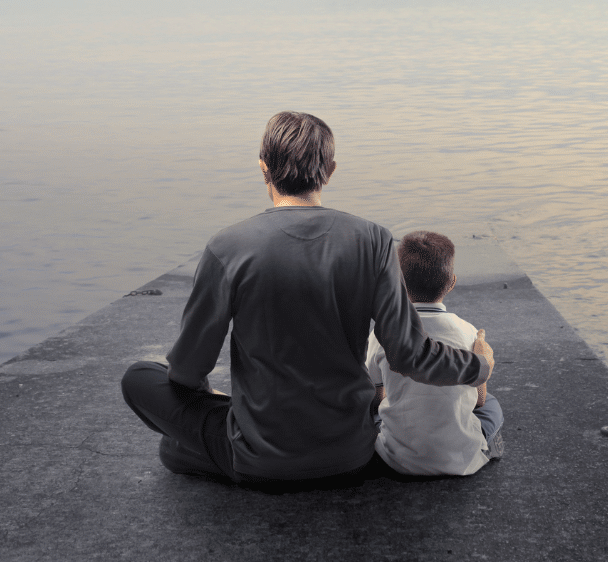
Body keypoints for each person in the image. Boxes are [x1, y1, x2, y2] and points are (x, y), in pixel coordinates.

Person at [120, 111, 495, 486]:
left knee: (140, 379)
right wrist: (477, 366)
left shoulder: (227, 246)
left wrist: (215, 400)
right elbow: (409, 355)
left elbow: (188, 369)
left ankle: (210, 443)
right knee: (175, 448)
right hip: (350, 454)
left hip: (262, 459)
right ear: (330, 171)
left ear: (263, 168)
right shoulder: (375, 241)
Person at [365, 231, 503, 476]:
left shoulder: (381, 333)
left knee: (375, 413)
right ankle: (486, 445)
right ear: (451, 283)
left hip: (398, 460)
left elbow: (375, 397)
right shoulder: (467, 332)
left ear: (398, 282)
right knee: (491, 405)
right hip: (459, 460)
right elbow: (479, 400)